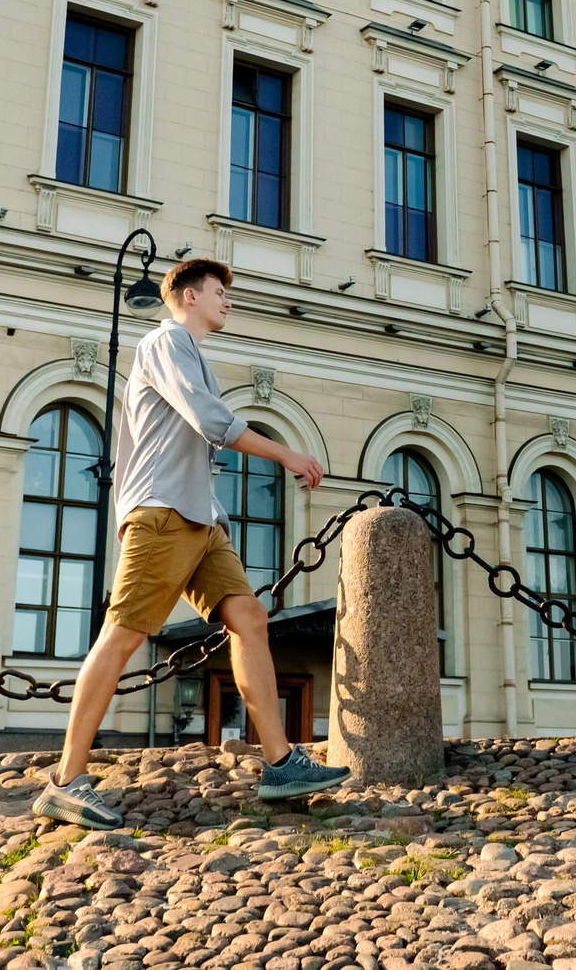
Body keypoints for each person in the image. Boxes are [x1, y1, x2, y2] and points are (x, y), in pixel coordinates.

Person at [35, 257, 350, 827]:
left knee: (250, 617)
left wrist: (217, 515)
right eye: (218, 291)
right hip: (162, 514)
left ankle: (280, 765)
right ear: (185, 295)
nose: (227, 300)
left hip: (200, 519)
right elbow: (211, 421)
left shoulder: (195, 354)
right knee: (123, 636)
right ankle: (66, 780)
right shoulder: (164, 342)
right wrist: (285, 453)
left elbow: (197, 443)